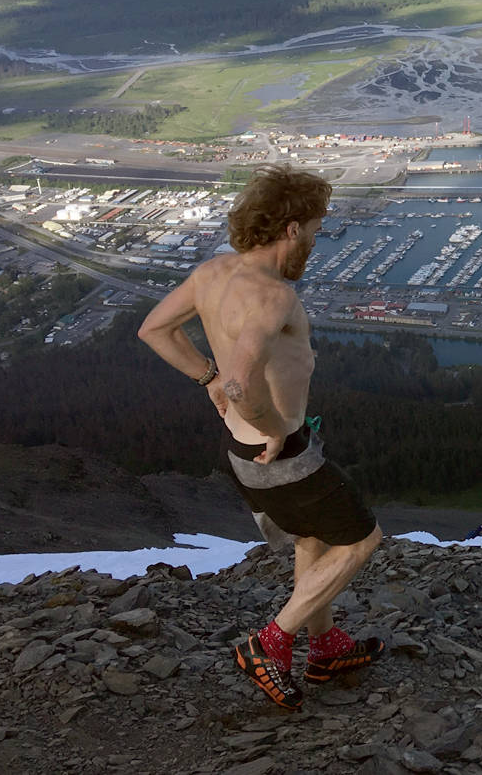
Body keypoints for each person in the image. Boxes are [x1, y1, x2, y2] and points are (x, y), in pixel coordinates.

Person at [138, 164, 384, 710]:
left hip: (239, 448)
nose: (316, 242)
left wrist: (205, 378)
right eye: (316, 230)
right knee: (361, 539)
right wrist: (275, 429)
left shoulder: (212, 274)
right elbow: (242, 383)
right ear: (292, 229)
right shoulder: (272, 297)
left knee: (311, 538)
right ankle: (270, 643)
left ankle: (324, 648)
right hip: (279, 450)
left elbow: (154, 328)